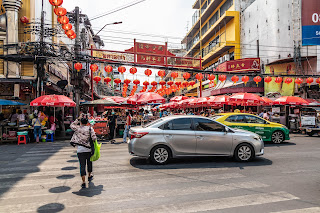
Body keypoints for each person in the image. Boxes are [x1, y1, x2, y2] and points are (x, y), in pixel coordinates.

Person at [70, 113, 97, 188]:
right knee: (89, 163)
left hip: (80, 150)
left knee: (82, 165)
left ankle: (83, 181)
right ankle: (89, 175)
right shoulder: (90, 128)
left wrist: (77, 119)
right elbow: (94, 138)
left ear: (81, 122)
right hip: (88, 150)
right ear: (87, 122)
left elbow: (71, 125)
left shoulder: (77, 128)